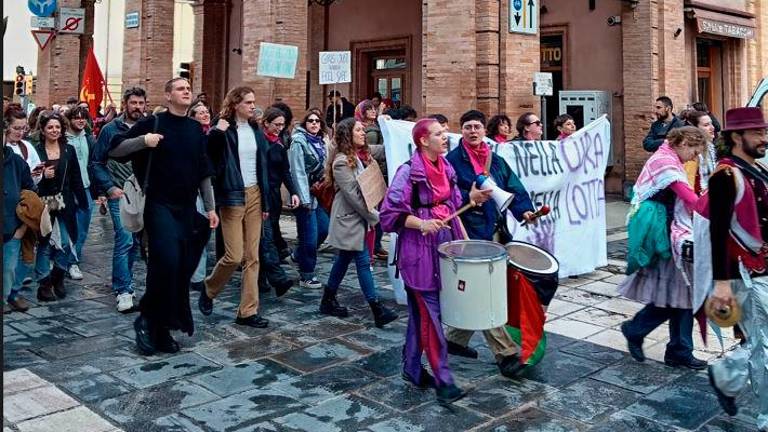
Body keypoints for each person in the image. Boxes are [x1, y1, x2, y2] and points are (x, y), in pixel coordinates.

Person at [110, 77, 218, 355]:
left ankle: (162, 327)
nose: (186, 91)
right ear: (168, 95)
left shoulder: (196, 129)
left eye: (188, 89)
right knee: (166, 263)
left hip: (186, 209)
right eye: (180, 88)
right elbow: (116, 150)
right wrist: (143, 141)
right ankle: (147, 319)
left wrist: (210, 207)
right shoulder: (153, 124)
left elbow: (203, 171)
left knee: (181, 269)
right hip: (158, 205)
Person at [380, 117, 467, 404]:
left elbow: (455, 205)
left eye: (444, 133)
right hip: (418, 250)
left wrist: (462, 239)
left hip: (443, 244)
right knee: (431, 313)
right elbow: (389, 215)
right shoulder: (408, 173)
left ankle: (412, 369)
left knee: (422, 313)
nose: (445, 137)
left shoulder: (447, 167)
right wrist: (421, 223)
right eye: (439, 134)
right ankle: (444, 379)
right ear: (423, 140)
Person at [444, 109, 536, 378]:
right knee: (484, 292)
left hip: (494, 231)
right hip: (469, 232)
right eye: (468, 127)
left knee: (479, 289)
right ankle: (506, 355)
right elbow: (446, 193)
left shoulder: (495, 160)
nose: (473, 131)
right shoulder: (452, 161)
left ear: (485, 130)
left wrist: (525, 211)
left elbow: (514, 186)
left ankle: (455, 340)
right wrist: (467, 196)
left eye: (477, 126)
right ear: (461, 130)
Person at [619, 126, 708, 370]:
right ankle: (642, 332)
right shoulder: (666, 163)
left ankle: (675, 347)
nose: (695, 156)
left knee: (679, 293)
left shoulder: (667, 157)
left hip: (667, 230)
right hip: (664, 233)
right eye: (694, 150)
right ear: (683, 143)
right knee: (680, 292)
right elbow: (688, 197)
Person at [704, 107, 768, 431]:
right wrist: (721, 283)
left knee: (760, 341)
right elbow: (717, 231)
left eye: (764, 131)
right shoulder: (725, 176)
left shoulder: (756, 169)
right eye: (757, 132)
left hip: (763, 269)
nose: (764, 138)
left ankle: (724, 374)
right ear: (736, 137)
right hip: (744, 272)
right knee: (764, 346)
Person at [197, 86, 271, 329]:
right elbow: (208, 156)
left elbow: (263, 165)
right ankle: (209, 288)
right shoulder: (223, 128)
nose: (252, 106)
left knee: (253, 257)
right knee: (233, 256)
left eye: (253, 101)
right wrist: (217, 133)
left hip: (255, 194)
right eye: (248, 102)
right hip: (232, 194)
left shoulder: (256, 129)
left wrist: (266, 201)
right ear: (236, 104)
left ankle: (248, 311)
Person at [319, 117, 399, 327]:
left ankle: (327, 299)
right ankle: (377, 308)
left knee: (344, 260)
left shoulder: (361, 155)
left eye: (364, 130)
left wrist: (388, 125)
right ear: (348, 135)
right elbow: (354, 196)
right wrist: (375, 217)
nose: (363, 133)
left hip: (359, 218)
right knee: (363, 261)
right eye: (359, 130)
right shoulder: (341, 162)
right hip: (349, 219)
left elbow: (384, 148)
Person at [90, 86, 148, 313]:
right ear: (125, 104)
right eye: (133, 103)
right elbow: (96, 162)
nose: (137, 107)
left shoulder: (148, 127)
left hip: (143, 192)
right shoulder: (110, 129)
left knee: (134, 242)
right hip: (120, 192)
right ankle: (123, 289)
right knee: (124, 239)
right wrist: (109, 187)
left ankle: (124, 282)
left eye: (141, 103)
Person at [35, 112, 89, 302]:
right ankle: (44, 283)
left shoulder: (69, 150)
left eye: (57, 127)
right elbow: (29, 178)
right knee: (44, 243)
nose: (54, 130)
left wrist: (83, 201)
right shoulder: (37, 150)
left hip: (64, 202)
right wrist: (42, 177)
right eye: (50, 127)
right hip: (43, 202)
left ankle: (58, 276)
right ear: (42, 130)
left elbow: (75, 178)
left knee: (66, 242)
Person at [289, 109, 331, 289]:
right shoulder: (298, 142)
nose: (314, 123)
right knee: (309, 236)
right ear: (304, 124)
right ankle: (307, 274)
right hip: (304, 194)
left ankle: (297, 255)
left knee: (324, 229)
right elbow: (297, 170)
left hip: (318, 193)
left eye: (317, 121)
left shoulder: (321, 141)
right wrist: (303, 197)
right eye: (310, 121)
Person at [262, 107, 300, 260]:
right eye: (276, 124)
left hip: (275, 192)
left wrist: (294, 192)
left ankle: (275, 254)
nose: (279, 128)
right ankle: (273, 265)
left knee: (273, 224)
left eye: (282, 125)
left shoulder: (279, 144)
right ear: (266, 123)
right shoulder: (259, 142)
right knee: (267, 230)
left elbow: (285, 171)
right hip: (261, 192)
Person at [65, 106, 96, 280]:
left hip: (86, 188)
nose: (80, 120)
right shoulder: (63, 140)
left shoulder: (89, 139)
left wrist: (97, 191)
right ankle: (63, 259)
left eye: (83, 117)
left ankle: (73, 261)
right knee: (66, 229)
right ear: (69, 120)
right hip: (68, 191)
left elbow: (93, 163)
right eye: (76, 117)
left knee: (82, 229)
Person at [3, 145, 35, 313]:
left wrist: (22, 225)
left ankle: (9, 295)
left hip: (12, 227)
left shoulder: (16, 162)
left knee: (9, 266)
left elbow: (30, 193)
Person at [355, 99, 388, 259]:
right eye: (368, 109)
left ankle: (375, 244)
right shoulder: (360, 130)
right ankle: (370, 246)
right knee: (372, 213)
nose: (372, 111)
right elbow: (368, 150)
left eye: (373, 109)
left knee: (380, 212)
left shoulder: (376, 127)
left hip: (378, 173)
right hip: (367, 175)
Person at [187, 101, 212, 292]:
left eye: (206, 112)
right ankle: (194, 275)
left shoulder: (213, 134)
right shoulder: (191, 136)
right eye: (200, 112)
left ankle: (198, 275)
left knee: (202, 231)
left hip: (211, 187)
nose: (205, 114)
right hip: (191, 189)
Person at [684, 110, 717, 191]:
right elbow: (689, 185)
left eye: (711, 123)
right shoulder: (691, 154)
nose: (712, 128)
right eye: (706, 125)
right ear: (696, 129)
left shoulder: (711, 147)